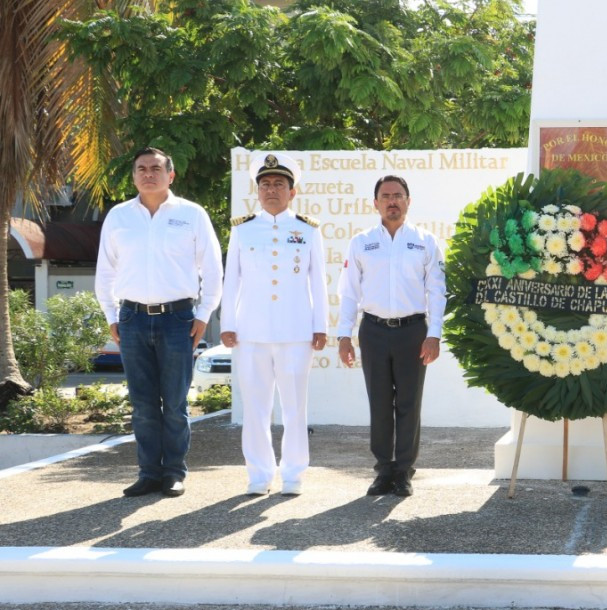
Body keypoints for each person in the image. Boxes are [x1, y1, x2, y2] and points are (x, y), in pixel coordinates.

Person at [95, 147, 223, 498]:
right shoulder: (119, 217)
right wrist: (111, 315)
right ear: (134, 175)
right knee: (143, 403)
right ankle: (148, 472)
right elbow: (105, 270)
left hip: (178, 319)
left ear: (171, 175)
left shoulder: (191, 214)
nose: (148, 174)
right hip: (132, 318)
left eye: (155, 168)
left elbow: (212, 268)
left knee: (175, 402)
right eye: (141, 169)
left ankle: (173, 473)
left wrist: (203, 314)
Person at [221, 153, 328, 496]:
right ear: (257, 190)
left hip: (296, 332)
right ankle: (259, 475)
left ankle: (293, 475)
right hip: (251, 332)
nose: (271, 190)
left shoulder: (307, 229)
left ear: (292, 192)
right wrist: (228, 322)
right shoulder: (243, 229)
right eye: (265, 184)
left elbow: (319, 281)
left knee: (295, 408)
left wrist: (320, 325)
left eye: (279, 184)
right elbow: (231, 280)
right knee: (255, 408)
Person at [336, 175, 445, 497]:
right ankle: (383, 470)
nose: (392, 201)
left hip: (413, 331)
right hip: (373, 331)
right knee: (380, 403)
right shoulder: (361, 242)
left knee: (409, 403)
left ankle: (404, 471)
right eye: (386, 196)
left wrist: (434, 334)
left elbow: (437, 291)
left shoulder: (425, 241)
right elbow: (348, 293)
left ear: (408, 201)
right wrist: (344, 335)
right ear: (376, 203)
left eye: (398, 195)